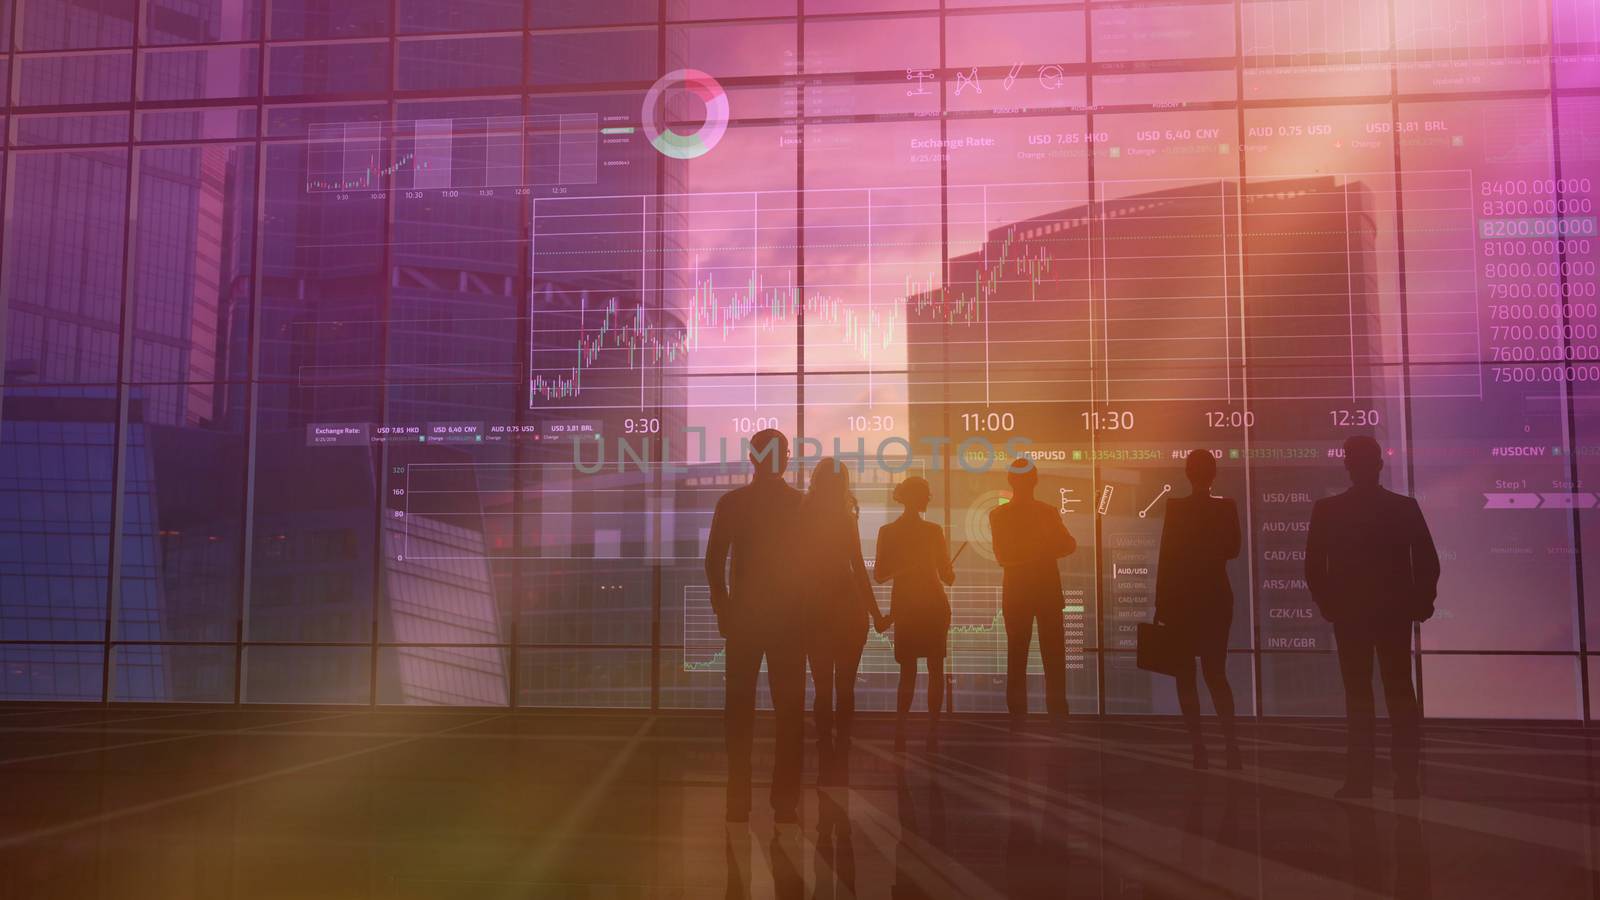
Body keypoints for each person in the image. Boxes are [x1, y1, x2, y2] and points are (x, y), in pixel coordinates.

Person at [1305, 435, 1439, 800]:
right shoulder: (1403, 508)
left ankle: (1360, 779)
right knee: (1399, 693)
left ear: (1348, 465)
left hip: (1350, 615)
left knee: (1358, 696)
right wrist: (1421, 602)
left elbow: (1314, 567)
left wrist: (1328, 604)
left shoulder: (1328, 510)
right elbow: (1427, 561)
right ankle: (1407, 779)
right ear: (1379, 464)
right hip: (1393, 614)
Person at [704, 429, 806, 823]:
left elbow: (714, 562)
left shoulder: (732, 503)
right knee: (790, 711)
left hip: (745, 618)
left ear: (752, 458)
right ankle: (784, 802)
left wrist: (724, 610)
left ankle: (738, 800)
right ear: (785, 458)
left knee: (739, 710)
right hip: (788, 621)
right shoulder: (799, 505)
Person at [1155, 449, 1242, 770]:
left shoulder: (1176, 508)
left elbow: (1167, 558)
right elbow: (1233, 549)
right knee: (1216, 673)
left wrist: (1160, 602)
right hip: (1216, 597)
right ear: (1213, 473)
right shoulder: (1226, 508)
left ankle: (1198, 748)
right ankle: (1231, 746)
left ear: (1188, 473)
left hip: (1182, 600)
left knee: (1186, 675)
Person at [801, 457, 885, 782]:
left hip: (815, 610)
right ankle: (843, 744)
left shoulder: (803, 518)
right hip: (848, 610)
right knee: (845, 685)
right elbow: (858, 572)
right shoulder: (845, 519)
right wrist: (876, 614)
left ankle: (824, 744)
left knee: (822, 686)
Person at [988, 457, 1076, 726]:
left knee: (1017, 657)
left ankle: (1017, 716)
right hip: (1047, 591)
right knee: (1054, 657)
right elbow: (1068, 545)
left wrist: (1026, 554)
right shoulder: (1047, 513)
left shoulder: (998, 515)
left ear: (1010, 480)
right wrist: (1043, 551)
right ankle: (1058, 715)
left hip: (1016, 593)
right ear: (1035, 480)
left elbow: (1003, 556)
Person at [874, 476, 955, 743]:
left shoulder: (889, 531)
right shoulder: (932, 531)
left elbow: (880, 575)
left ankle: (901, 729)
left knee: (908, 671)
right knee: (934, 669)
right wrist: (938, 570)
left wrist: (910, 570)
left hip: (908, 607)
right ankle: (932, 730)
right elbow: (947, 576)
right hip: (932, 605)